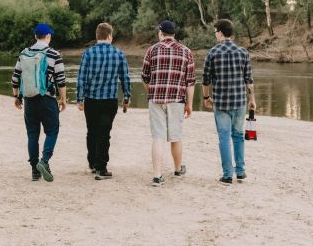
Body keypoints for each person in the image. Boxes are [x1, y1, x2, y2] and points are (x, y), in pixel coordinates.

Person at [141, 20, 195, 187]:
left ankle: (157, 176)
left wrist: (151, 91)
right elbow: (190, 81)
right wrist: (189, 104)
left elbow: (144, 77)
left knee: (158, 137)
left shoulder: (152, 50)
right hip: (177, 99)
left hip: (156, 99)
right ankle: (178, 169)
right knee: (175, 137)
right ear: (174, 34)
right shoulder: (186, 52)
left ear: (160, 33)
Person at [11, 23, 67, 182]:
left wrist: (17, 97)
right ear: (48, 36)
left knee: (32, 135)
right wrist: (63, 99)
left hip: (29, 100)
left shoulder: (24, 53)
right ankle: (44, 161)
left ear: (35, 37)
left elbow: (15, 78)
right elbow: (60, 80)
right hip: (47, 100)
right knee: (52, 131)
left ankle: (35, 171)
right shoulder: (54, 54)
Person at [202, 19, 255, 185]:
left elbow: (205, 80)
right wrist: (252, 99)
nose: (215, 34)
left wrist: (206, 97)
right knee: (238, 136)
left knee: (224, 137)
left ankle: (227, 175)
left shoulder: (213, 52)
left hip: (221, 102)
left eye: (215, 32)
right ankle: (240, 172)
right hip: (239, 101)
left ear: (219, 32)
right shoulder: (242, 52)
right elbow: (249, 79)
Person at [76, 22, 132, 180]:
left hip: (91, 100)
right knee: (104, 133)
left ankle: (93, 163)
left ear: (97, 36)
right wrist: (126, 97)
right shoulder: (118, 53)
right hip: (109, 100)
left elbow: (81, 78)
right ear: (110, 36)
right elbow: (125, 78)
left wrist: (79, 99)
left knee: (92, 131)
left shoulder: (88, 53)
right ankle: (101, 167)